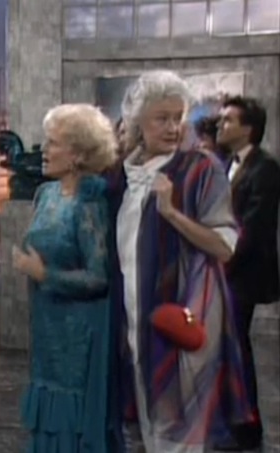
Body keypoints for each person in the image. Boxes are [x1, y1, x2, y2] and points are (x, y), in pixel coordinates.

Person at [106, 70, 256, 453]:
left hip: (184, 317)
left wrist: (172, 213)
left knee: (180, 434)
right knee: (144, 426)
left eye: (178, 117)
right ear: (138, 122)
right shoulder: (121, 176)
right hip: (132, 319)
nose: (173, 127)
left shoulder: (200, 169)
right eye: (162, 118)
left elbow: (224, 246)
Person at [13, 104, 121, 452]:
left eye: (53, 143)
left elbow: (98, 277)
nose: (43, 150)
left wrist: (45, 274)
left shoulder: (90, 202)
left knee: (72, 419)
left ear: (78, 155)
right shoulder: (45, 194)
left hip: (78, 332)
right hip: (46, 325)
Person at [216, 95, 280, 450]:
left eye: (229, 120)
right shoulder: (227, 162)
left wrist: (222, 261)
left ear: (248, 128)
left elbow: (252, 229)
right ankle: (230, 422)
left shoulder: (265, 168)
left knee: (237, 349)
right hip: (223, 269)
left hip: (242, 274)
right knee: (227, 349)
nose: (221, 125)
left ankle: (247, 430)